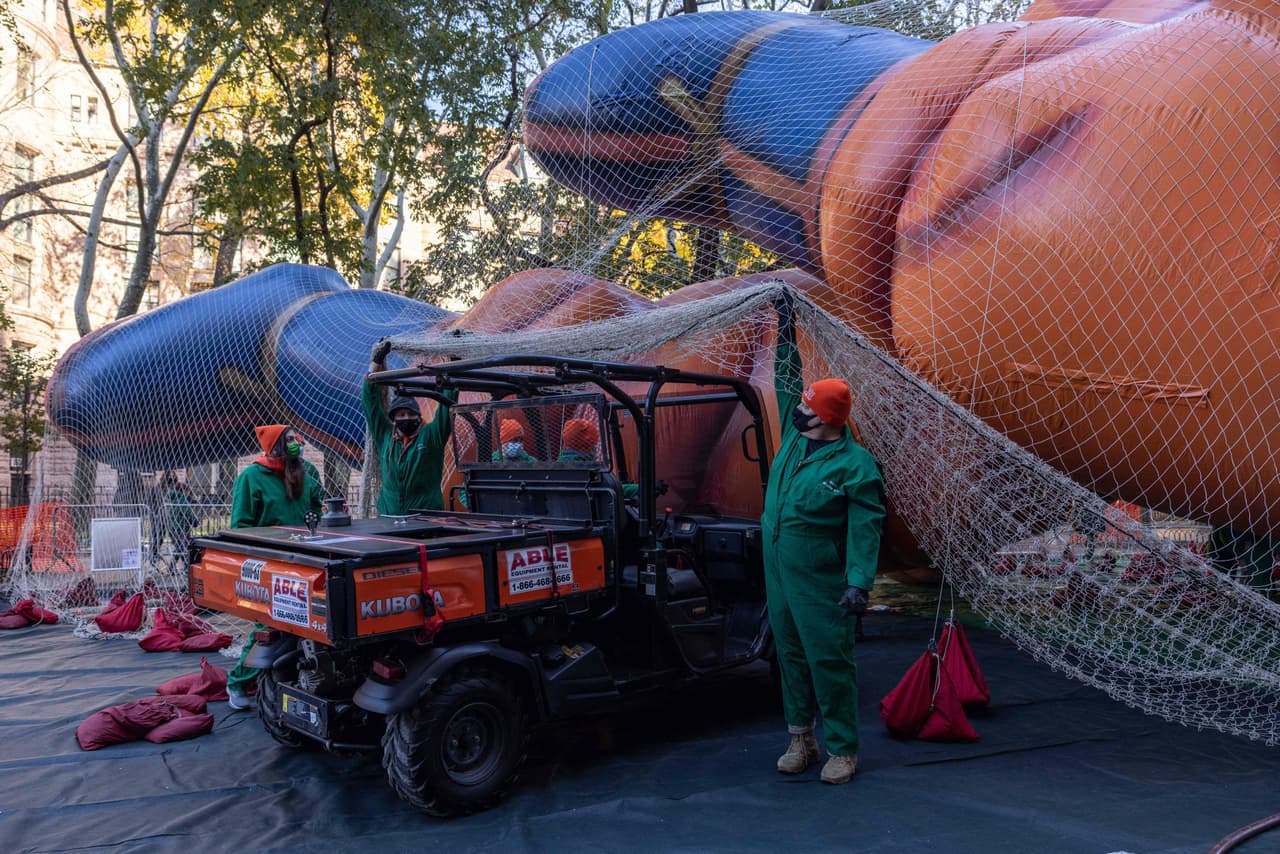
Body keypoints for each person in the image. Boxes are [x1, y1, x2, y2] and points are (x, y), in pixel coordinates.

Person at [763, 292, 885, 785]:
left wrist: (858, 580)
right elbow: (786, 380)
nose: (798, 413)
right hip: (778, 569)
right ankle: (801, 738)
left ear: (829, 421)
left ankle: (843, 748)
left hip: (819, 578)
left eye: (808, 411)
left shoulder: (856, 467)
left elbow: (865, 526)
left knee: (828, 658)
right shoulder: (797, 436)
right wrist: (786, 328)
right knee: (789, 652)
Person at [225, 424, 324, 710]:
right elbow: (241, 525)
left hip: (305, 560)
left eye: (297, 438)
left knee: (307, 622)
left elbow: (317, 505)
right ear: (277, 445)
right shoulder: (252, 477)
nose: (298, 442)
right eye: (290, 439)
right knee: (269, 624)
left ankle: (291, 677)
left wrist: (315, 522)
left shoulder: (308, 472)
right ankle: (238, 682)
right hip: (270, 563)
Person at [364, 340, 457, 515]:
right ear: (393, 419)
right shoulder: (385, 437)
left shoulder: (431, 436)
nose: (406, 418)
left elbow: (447, 407)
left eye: (410, 413)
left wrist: (453, 367)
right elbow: (370, 403)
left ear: (418, 415)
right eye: (400, 415)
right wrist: (375, 364)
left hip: (425, 520)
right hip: (389, 519)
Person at [161, 472, 198, 562]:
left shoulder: (172, 499)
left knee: (179, 548)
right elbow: (188, 513)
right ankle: (186, 568)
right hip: (182, 529)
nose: (189, 493)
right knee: (185, 549)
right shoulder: (182, 499)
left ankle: (172, 569)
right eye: (187, 490)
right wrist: (196, 522)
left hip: (173, 529)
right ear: (183, 490)